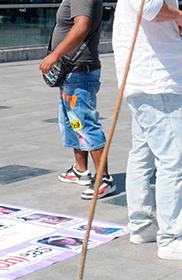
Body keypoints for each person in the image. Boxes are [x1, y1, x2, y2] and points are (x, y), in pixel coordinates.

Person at [112, 0, 182, 260]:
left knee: (142, 155)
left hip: (146, 80)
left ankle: (143, 224)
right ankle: (171, 238)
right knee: (172, 161)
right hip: (156, 82)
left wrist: (176, 21)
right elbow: (151, 9)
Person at [40, 0, 115, 200]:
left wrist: (55, 55)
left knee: (84, 123)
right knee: (73, 122)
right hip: (72, 71)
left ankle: (104, 179)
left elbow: (81, 26)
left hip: (79, 71)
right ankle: (80, 170)